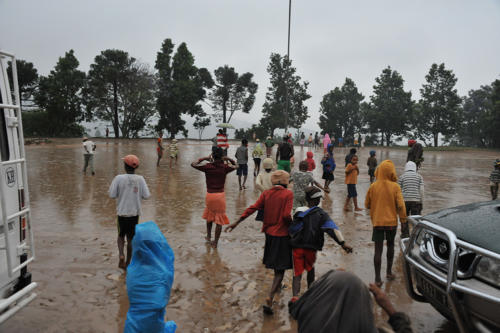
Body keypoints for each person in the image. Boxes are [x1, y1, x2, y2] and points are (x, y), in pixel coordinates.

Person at [226, 170, 293, 315]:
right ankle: (270, 297)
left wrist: (237, 222)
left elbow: (252, 208)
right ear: (285, 182)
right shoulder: (288, 194)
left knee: (276, 265)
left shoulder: (266, 193)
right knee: (280, 270)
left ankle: (277, 288)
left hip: (269, 234)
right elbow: (287, 215)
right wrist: (293, 226)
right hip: (282, 234)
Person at [289, 270, 413, 333]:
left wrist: (331, 280)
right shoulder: (363, 327)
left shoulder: (306, 319)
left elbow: (296, 306)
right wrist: (389, 308)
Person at [288, 187, 352, 305]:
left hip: (297, 247)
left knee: (297, 273)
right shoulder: (321, 214)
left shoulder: (298, 211)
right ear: (317, 200)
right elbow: (332, 229)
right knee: (310, 270)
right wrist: (343, 243)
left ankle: (295, 298)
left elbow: (292, 229)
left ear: (306, 199)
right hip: (311, 248)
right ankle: (310, 295)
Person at [124, 221, 177, 333]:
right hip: (153, 326)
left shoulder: (132, 270)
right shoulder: (163, 272)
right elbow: (162, 300)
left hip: (132, 326)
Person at [365, 160, 408, 286]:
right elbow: (401, 206)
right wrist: (403, 221)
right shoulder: (395, 187)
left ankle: (377, 279)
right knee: (390, 246)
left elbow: (367, 204)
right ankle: (389, 272)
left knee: (378, 250)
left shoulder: (373, 186)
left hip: (378, 222)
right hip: (391, 223)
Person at [109, 154, 151, 269]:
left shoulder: (118, 178)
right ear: (135, 167)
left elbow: (112, 194)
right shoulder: (140, 179)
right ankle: (128, 262)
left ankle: (121, 255)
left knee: (121, 236)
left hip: (122, 213)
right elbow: (147, 196)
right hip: (134, 214)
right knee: (131, 238)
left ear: (125, 166)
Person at [191, 148, 237, 248]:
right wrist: (229, 159)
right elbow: (236, 166)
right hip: (220, 196)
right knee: (219, 220)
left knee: (209, 216)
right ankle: (215, 243)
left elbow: (193, 164)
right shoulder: (225, 167)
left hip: (210, 195)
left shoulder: (208, 166)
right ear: (221, 157)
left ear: (212, 156)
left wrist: (204, 158)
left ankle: (208, 236)